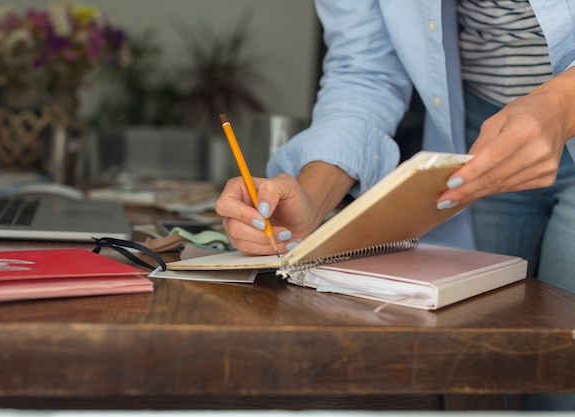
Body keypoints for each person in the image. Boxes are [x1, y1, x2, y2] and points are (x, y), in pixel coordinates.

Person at [216, 2, 575, 409]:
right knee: (488, 377)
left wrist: (563, 103)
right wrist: (312, 198)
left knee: (561, 382)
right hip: (481, 133)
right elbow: (364, 72)